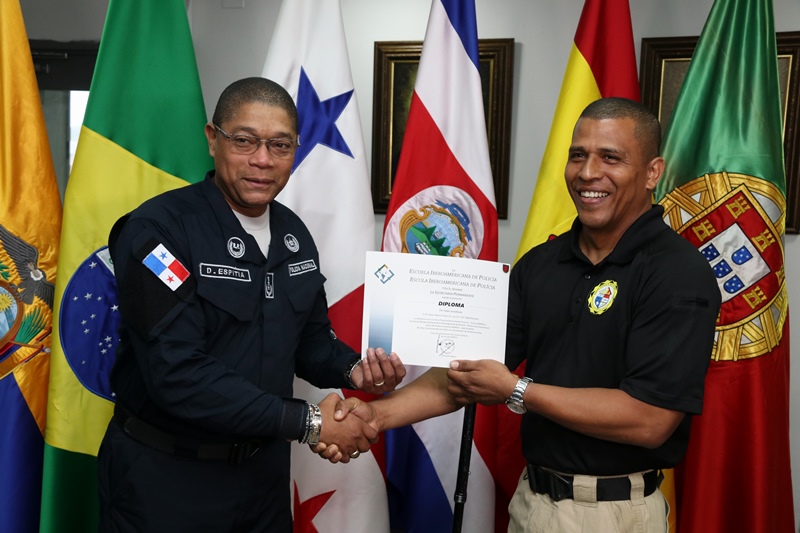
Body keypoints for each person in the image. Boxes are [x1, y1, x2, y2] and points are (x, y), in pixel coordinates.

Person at [322, 97, 721, 532]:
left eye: (611, 158)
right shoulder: (541, 264)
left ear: (652, 172)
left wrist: (517, 390)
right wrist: (376, 417)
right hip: (531, 504)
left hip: (614, 512)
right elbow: (471, 372)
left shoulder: (678, 273)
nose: (588, 173)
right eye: (578, 155)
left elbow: (650, 421)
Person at [97, 77, 406, 532]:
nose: (263, 160)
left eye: (280, 145)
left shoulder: (293, 234)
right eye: (244, 141)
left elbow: (309, 341)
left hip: (263, 480)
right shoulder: (158, 232)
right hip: (167, 479)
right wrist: (310, 422)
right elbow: (176, 372)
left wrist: (354, 369)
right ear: (212, 139)